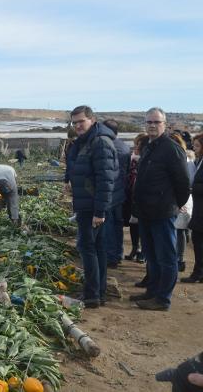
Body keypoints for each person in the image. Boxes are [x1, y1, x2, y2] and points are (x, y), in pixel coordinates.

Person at [130, 107, 190, 311]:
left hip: (162, 212)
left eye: (157, 122)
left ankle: (163, 298)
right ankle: (153, 291)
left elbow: (183, 183)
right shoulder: (149, 146)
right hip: (146, 212)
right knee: (151, 254)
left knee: (166, 257)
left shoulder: (171, 149)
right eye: (149, 122)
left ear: (165, 124)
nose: (152, 126)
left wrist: (175, 204)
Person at [67, 105, 119, 308]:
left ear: (92, 120)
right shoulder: (87, 141)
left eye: (82, 121)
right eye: (75, 122)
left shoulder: (100, 143)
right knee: (97, 249)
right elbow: (79, 167)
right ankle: (98, 292)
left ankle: (92, 295)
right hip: (88, 204)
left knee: (87, 248)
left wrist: (100, 211)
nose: (78, 125)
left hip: (92, 207)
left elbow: (106, 180)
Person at [103, 119, 131, 268]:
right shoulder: (125, 147)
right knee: (118, 224)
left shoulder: (106, 145)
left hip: (109, 192)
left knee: (108, 225)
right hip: (121, 191)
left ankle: (111, 257)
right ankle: (118, 253)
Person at [170, 133, 194, 272]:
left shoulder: (186, 160)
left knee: (180, 230)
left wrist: (182, 201)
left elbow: (188, 182)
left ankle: (180, 258)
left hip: (182, 199)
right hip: (171, 199)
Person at [182, 133, 203, 283]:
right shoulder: (200, 160)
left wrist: (192, 188)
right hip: (199, 207)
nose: (194, 149)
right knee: (197, 240)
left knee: (199, 241)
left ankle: (198, 273)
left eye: (197, 146)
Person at [124, 134, 148, 263]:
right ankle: (135, 249)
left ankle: (143, 252)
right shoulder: (132, 159)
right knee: (133, 224)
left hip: (142, 197)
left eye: (139, 145)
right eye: (136, 144)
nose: (136, 147)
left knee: (143, 226)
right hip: (132, 195)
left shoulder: (145, 160)